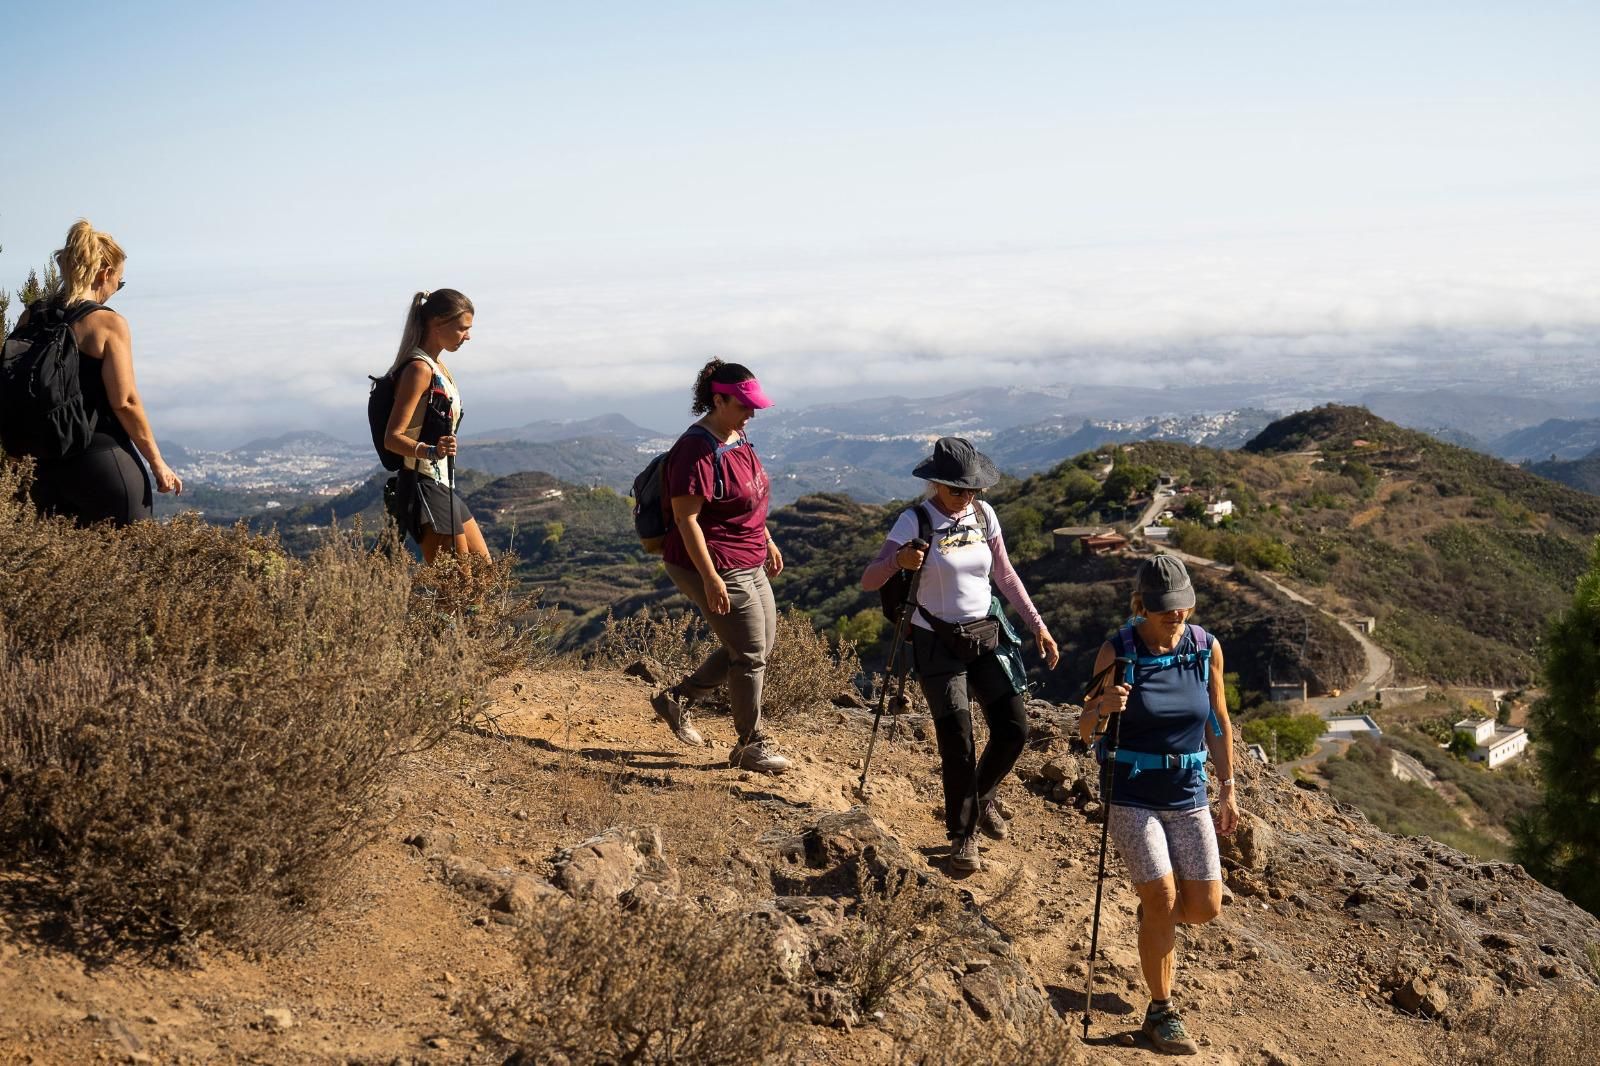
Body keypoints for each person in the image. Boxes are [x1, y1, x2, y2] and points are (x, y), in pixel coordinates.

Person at [861, 437, 1060, 874]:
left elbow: (1004, 575)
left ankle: (981, 797)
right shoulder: (914, 521)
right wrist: (899, 560)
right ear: (935, 484)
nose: (965, 497)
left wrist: (1038, 626)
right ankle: (962, 835)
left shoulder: (983, 514)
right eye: (957, 490)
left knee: (1013, 729)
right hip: (936, 640)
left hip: (985, 633)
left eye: (972, 489)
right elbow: (870, 580)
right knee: (958, 741)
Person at [1077, 554, 1238, 1056]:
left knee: (1205, 908)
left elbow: (1218, 721)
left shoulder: (1205, 648)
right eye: (1166, 608)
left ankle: (1154, 919)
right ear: (1141, 605)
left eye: (1183, 606)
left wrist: (1229, 786)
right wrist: (1102, 707)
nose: (1176, 616)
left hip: (1188, 791)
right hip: (1130, 791)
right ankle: (1160, 1010)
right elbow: (1084, 733)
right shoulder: (1117, 652)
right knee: (1164, 901)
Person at [649, 359, 789, 773]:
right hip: (711, 561)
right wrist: (710, 579)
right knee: (749, 654)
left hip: (747, 554)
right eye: (744, 405)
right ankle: (751, 743)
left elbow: (749, 496)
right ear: (719, 399)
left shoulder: (737, 434)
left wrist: (767, 538)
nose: (752, 412)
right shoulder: (696, 448)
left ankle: (677, 700)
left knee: (756, 646)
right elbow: (686, 518)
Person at [6, 220, 182, 525]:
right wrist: (157, 462)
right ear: (105, 273)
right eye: (120, 282)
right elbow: (124, 401)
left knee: (55, 568)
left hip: (40, 471)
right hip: (103, 464)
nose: (116, 290)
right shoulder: (107, 324)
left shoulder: (31, 316)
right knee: (134, 566)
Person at [381, 289, 489, 563]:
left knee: (484, 575)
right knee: (457, 585)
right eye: (462, 328)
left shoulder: (438, 365)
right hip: (422, 484)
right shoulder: (419, 369)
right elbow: (392, 438)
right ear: (437, 323)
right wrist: (431, 450)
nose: (468, 336)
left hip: (439, 484)